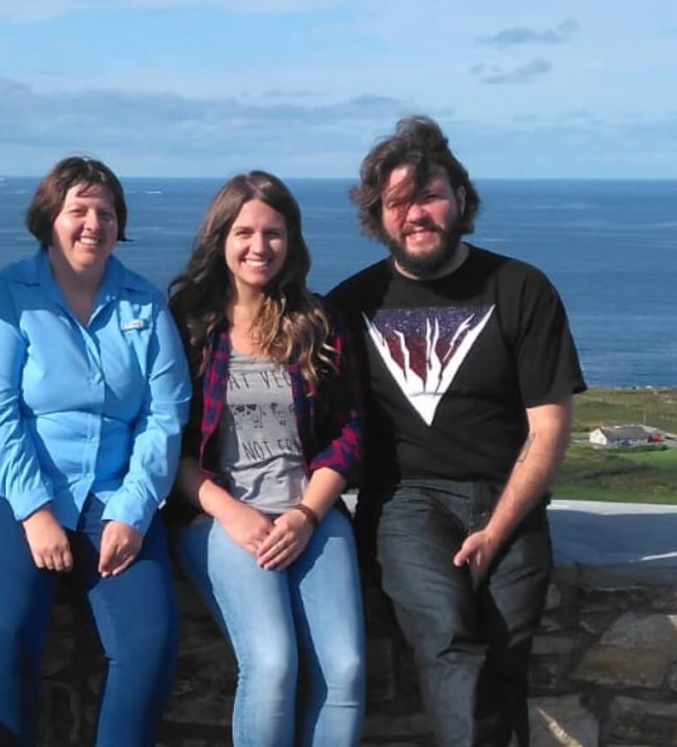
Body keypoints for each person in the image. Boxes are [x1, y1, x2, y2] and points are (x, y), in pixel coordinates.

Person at [327, 116, 585, 747]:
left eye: (429, 196)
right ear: (377, 217)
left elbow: (548, 428)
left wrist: (496, 529)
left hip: (507, 495)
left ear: (460, 200)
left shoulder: (521, 289)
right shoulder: (350, 304)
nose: (416, 214)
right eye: (397, 202)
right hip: (406, 500)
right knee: (447, 636)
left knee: (505, 655)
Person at [0, 156, 191, 746]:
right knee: (3, 634)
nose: (93, 224)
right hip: (22, 490)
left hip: (117, 493)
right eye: (79, 210)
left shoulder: (145, 303)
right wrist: (36, 513)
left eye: (107, 213)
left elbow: (165, 415)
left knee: (149, 642)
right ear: (50, 220)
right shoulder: (11, 294)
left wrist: (133, 510)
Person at [167, 171, 367, 746]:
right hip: (220, 520)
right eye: (244, 232)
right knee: (273, 662)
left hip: (310, 514)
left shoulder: (318, 322)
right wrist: (232, 515)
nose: (260, 247)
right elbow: (169, 443)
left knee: (346, 669)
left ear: (292, 240)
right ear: (220, 238)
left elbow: (349, 433)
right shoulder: (189, 325)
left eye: (274, 233)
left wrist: (305, 515)